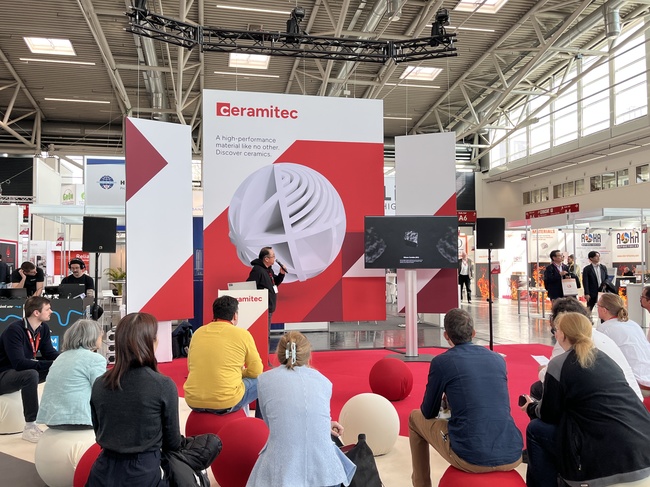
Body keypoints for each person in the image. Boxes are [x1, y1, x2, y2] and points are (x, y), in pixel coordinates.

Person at [523, 312, 650, 487]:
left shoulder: (559, 364)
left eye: (555, 330)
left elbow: (549, 414)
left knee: (536, 429)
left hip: (605, 458)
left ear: (563, 334)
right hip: (643, 448)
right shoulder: (606, 359)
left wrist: (531, 407)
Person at [408, 308, 522, 486]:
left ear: (446, 335)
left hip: (470, 456)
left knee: (414, 418)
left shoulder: (442, 362)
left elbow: (428, 412)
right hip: (512, 452)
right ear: (473, 333)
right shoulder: (498, 359)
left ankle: (421, 483)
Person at [246, 331, 356, 487]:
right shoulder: (324, 382)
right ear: (308, 354)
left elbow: (274, 424)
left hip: (282, 474)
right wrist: (324, 425)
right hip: (326, 474)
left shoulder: (264, 380)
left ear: (279, 353)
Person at [87, 313, 182, 486]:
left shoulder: (100, 383)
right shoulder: (163, 385)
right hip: (143, 472)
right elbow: (172, 442)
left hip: (102, 471)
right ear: (150, 342)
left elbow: (99, 430)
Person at [528, 297, 642, 402]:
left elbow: (549, 376)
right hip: (633, 399)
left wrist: (542, 370)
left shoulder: (567, 339)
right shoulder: (600, 336)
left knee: (539, 389)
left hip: (607, 404)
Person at [184, 295, 263, 415]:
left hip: (193, 400)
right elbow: (256, 371)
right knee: (263, 381)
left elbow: (190, 367)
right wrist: (240, 372)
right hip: (227, 401)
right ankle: (260, 425)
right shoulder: (243, 334)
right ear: (235, 315)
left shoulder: (198, 333)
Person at [0, 296, 59, 442]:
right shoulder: (14, 330)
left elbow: (49, 353)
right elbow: (19, 363)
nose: (51, 311)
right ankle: (30, 426)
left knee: (59, 368)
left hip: (19, 372)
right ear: (36, 313)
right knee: (31, 374)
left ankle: (58, 416)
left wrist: (66, 360)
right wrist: (52, 364)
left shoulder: (42, 328)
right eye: (48, 309)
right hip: (4, 374)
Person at [36, 319, 106, 429]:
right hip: (79, 420)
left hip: (51, 419)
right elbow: (102, 391)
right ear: (93, 336)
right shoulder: (95, 359)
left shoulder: (60, 358)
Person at [597, 293, 650, 397]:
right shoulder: (633, 324)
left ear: (604, 310)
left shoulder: (604, 329)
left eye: (598, 305)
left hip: (636, 384)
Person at [247, 247, 285, 330]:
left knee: (267, 330)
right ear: (266, 259)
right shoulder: (257, 270)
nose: (275, 258)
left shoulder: (268, 270)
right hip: (262, 307)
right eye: (273, 256)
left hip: (269, 306)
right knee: (264, 331)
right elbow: (249, 286)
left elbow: (274, 283)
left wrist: (281, 274)